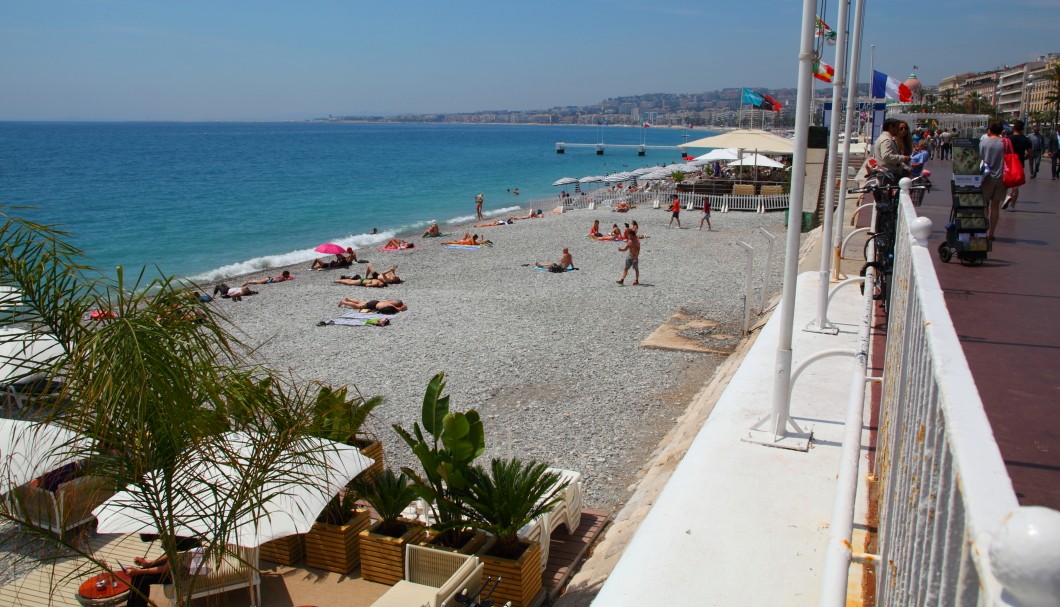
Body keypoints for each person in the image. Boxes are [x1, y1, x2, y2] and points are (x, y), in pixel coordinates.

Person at [979, 121, 1007, 241]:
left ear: (990, 130)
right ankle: (992, 233)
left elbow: (980, 157)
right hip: (1002, 177)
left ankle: (984, 230)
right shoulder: (1005, 143)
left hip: (987, 177)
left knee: (985, 205)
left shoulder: (984, 142)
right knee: (995, 207)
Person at [1002, 120, 1032, 211]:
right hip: (1019, 165)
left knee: (1004, 184)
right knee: (1015, 186)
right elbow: (1030, 154)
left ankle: (1007, 196)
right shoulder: (1026, 140)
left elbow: (1002, 151)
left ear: (1014, 128)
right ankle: (1012, 206)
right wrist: (1024, 158)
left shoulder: (1008, 139)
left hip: (1007, 164)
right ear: (1022, 129)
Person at [338, 297, 407, 314]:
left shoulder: (390, 304)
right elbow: (398, 309)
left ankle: (349, 299)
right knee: (357, 306)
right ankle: (344, 302)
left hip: (376, 302)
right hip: (373, 305)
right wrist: (402, 309)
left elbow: (400, 306)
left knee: (360, 302)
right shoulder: (394, 308)